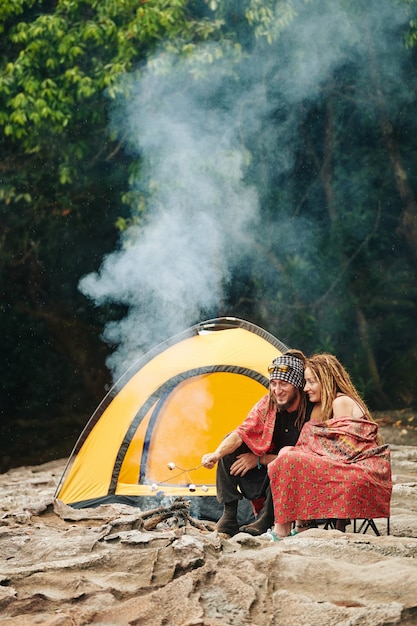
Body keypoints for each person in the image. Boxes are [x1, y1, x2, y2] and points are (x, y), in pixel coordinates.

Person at [266, 353, 392, 540]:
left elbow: (343, 449)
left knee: (290, 457)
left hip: (359, 469)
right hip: (346, 465)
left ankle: (282, 530)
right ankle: (301, 525)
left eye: (311, 382)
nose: (306, 388)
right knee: (287, 453)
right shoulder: (325, 405)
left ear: (325, 379)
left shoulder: (340, 402)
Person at [201, 350, 312, 536]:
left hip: (293, 477)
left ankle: (268, 517)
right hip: (263, 476)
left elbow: (306, 457)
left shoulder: (311, 410)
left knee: (285, 457)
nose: (277, 390)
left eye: (284, 384)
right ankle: (229, 515)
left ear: (298, 385)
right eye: (274, 384)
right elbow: (241, 433)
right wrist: (216, 454)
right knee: (230, 444)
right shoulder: (269, 403)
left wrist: (259, 459)